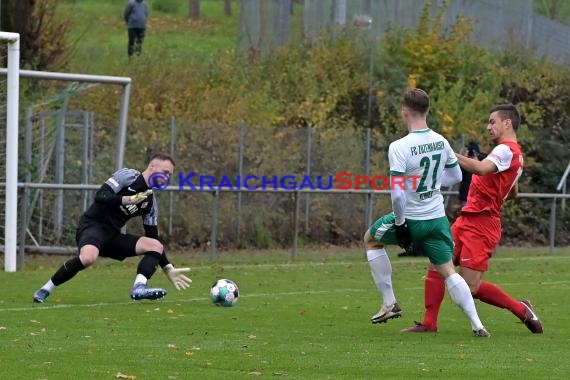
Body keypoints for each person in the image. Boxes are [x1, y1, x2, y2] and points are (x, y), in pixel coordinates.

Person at [402, 104, 543, 334]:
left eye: (492, 121)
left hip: (483, 224)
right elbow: (513, 190)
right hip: (468, 219)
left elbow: (480, 169)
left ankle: (522, 309)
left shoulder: (506, 150)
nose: (489, 127)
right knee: (437, 263)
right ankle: (429, 323)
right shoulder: (512, 153)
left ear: (507, 123)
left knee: (471, 287)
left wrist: (447, 152)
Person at [363, 88, 490, 337]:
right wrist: (431, 185)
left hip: (412, 217)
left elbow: (398, 194)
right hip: (437, 219)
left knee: (371, 239)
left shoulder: (399, 146)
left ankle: (389, 302)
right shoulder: (441, 141)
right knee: (448, 271)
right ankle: (477, 324)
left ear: (404, 111)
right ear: (427, 111)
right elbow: (454, 176)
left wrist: (400, 224)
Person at [32, 153, 192, 303]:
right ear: (152, 167)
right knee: (88, 258)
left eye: (170, 175)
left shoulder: (149, 202)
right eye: (165, 172)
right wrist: (128, 199)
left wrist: (168, 267)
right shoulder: (128, 176)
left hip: (112, 236)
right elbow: (101, 195)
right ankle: (46, 288)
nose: (167, 177)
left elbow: (153, 237)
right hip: (92, 226)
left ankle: (139, 287)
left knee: (155, 245)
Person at [458, 141, 486, 208]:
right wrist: (465, 158)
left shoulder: (483, 159)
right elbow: (458, 172)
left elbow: (486, 167)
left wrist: (476, 158)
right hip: (465, 195)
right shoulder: (465, 161)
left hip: (479, 196)